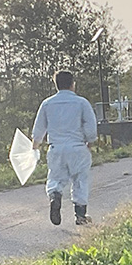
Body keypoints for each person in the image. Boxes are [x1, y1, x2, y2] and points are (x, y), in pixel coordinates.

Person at [32, 70, 98, 226]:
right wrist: (91, 141)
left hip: (56, 148)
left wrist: (36, 145)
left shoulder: (47, 104)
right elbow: (90, 126)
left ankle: (55, 196)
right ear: (72, 84)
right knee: (80, 180)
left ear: (56, 85)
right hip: (77, 147)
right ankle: (80, 216)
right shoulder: (82, 102)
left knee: (55, 177)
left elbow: (39, 128)